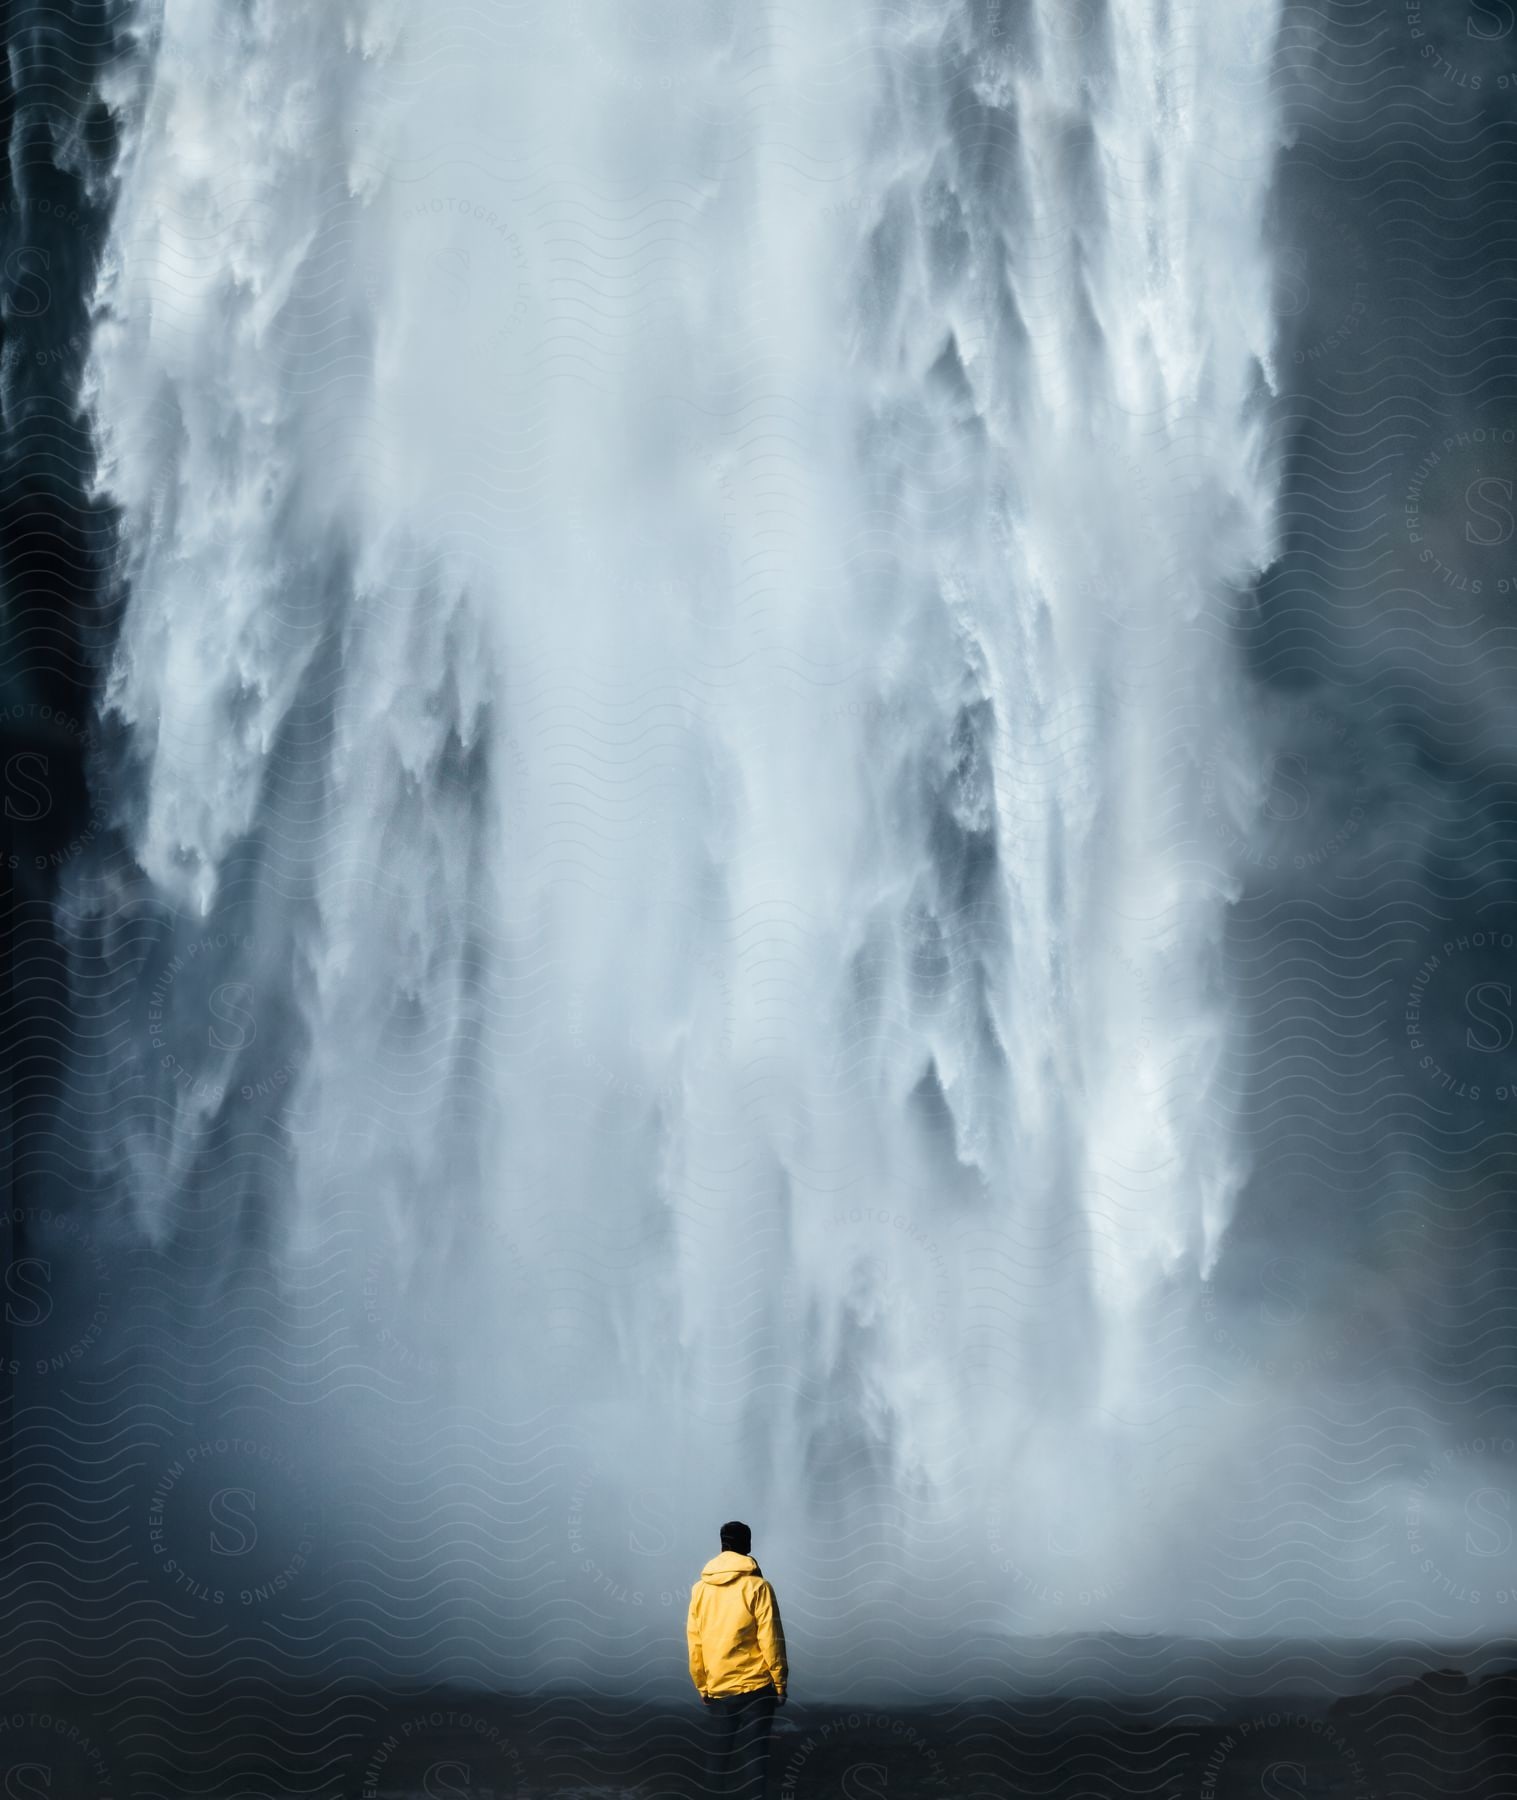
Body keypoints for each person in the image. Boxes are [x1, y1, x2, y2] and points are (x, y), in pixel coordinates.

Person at [686, 1520, 787, 1797]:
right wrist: (780, 1683)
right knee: (756, 1758)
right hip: (757, 1687)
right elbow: (771, 1639)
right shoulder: (758, 1587)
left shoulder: (700, 1589)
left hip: (719, 1687)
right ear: (748, 1546)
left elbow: (695, 1641)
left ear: (722, 1545)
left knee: (717, 1760)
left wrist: (702, 1685)